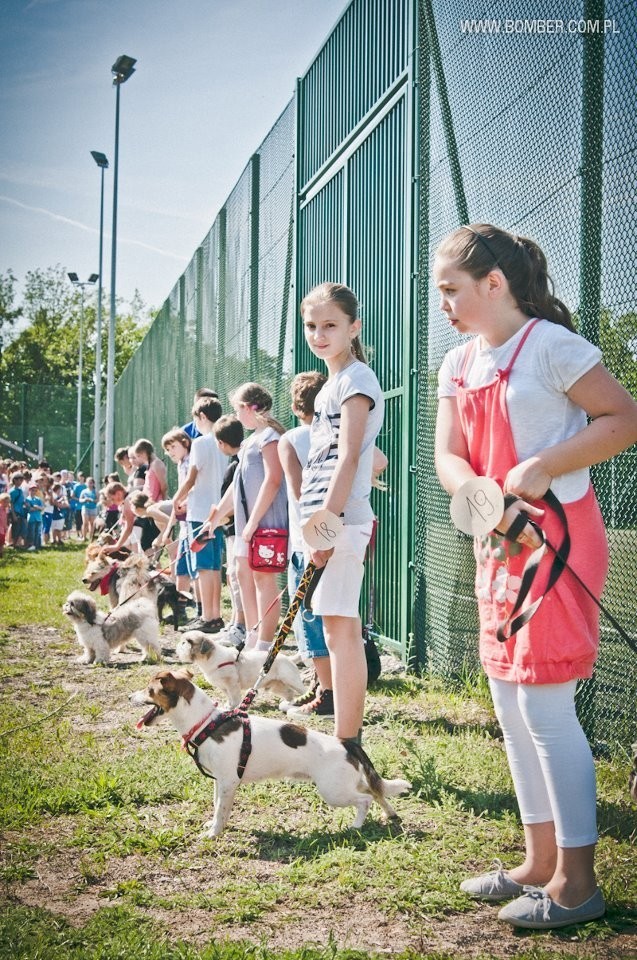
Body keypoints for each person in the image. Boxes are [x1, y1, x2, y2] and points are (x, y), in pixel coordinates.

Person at [433, 223, 637, 930]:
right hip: (497, 543)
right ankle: (536, 863)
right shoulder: (457, 364)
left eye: (450, 289)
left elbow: (622, 418)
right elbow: (448, 459)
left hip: (555, 549)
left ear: (495, 284)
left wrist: (545, 464)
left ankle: (577, 884)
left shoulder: (551, 346)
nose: (443, 304)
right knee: (508, 706)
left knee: (545, 711)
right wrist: (487, 506)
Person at [297, 282, 384, 742]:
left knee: (341, 635)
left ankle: (347, 744)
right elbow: (341, 457)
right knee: (333, 629)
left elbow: (350, 457)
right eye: (311, 325)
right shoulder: (333, 383)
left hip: (342, 524)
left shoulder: (356, 380)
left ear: (355, 327)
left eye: (330, 325)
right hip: (326, 521)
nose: (319, 334)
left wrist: (327, 528)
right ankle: (345, 739)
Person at [205, 383, 288, 651]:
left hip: (264, 525)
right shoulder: (251, 440)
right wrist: (217, 515)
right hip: (246, 526)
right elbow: (237, 484)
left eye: (237, 408)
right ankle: (252, 636)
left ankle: (264, 644)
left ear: (248, 408)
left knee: (263, 580)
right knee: (243, 574)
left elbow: (274, 479)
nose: (235, 415)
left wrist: (253, 522)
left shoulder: (270, 437)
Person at [277, 371, 332, 716]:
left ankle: (326, 693)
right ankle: (328, 686)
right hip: (342, 530)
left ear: (297, 407)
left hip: (307, 538)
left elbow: (298, 491)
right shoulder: (341, 432)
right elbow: (380, 462)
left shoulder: (293, 439)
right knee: (339, 614)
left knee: (309, 616)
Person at [173, 395, 227, 634]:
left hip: (201, 511)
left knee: (204, 568)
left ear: (202, 417)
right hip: (220, 512)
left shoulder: (201, 443)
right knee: (214, 566)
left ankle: (208, 616)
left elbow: (191, 478)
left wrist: (177, 498)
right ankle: (214, 615)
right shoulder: (225, 440)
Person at [212, 414, 246, 646]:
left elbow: (233, 505)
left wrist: (217, 517)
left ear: (222, 443)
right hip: (232, 531)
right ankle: (236, 622)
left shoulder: (235, 466)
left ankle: (241, 626)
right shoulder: (238, 463)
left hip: (236, 530)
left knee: (236, 577)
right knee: (232, 576)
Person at [25, 481, 44, 551]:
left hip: (38, 518)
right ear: (29, 491)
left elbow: (42, 508)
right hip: (31, 518)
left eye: (35, 491)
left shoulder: (38, 499)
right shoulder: (27, 499)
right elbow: (29, 509)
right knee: (31, 532)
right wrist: (37, 507)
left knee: (38, 532)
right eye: (32, 490)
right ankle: (31, 545)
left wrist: (37, 507)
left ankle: (37, 545)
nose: (34, 492)